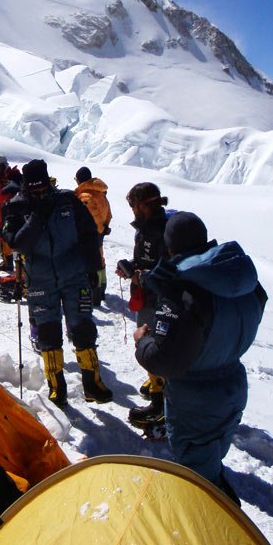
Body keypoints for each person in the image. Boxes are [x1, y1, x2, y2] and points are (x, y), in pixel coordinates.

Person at [134, 211, 266, 505]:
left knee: (198, 484)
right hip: (232, 383)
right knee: (210, 466)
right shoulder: (237, 277)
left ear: (170, 248)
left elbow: (164, 360)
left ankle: (219, 538)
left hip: (195, 399)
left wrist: (143, 341)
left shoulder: (185, 289)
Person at [1, 159, 112, 407]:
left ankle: (92, 382)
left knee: (83, 327)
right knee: (48, 333)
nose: (40, 194)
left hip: (74, 275)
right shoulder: (15, 208)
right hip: (40, 279)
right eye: (34, 190)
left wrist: (93, 267)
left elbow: (88, 235)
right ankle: (56, 386)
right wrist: (37, 216)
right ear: (26, 187)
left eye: (43, 189)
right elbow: (18, 243)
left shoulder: (67, 201)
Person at [115, 182, 170, 430]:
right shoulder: (149, 228)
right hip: (148, 296)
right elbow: (145, 261)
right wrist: (131, 266)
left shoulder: (162, 231)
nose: (131, 210)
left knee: (152, 344)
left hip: (157, 300)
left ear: (143, 205)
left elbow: (166, 271)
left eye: (133, 205)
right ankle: (158, 387)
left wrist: (139, 276)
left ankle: (161, 405)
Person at [73, 166, 112, 305]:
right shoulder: (100, 194)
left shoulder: (85, 196)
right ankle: (101, 289)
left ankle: (93, 294)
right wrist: (104, 227)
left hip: (90, 235)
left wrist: (96, 230)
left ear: (79, 180)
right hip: (99, 233)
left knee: (89, 264)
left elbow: (90, 219)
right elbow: (108, 214)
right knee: (99, 260)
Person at [0, 155, 22, 273]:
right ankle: (7, 263)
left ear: (3, 167)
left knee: (12, 241)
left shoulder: (12, 179)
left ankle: (19, 265)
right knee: (2, 241)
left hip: (8, 217)